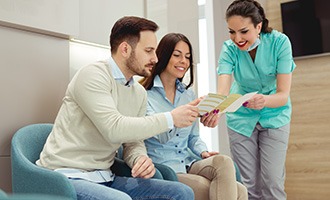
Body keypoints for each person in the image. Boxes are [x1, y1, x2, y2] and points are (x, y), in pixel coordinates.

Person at [36, 16, 198, 200]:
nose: (155, 58)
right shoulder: (92, 76)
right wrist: (170, 118)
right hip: (67, 176)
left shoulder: (138, 92)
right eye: (149, 51)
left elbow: (133, 141)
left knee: (181, 192)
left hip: (105, 177)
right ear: (125, 49)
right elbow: (114, 129)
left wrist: (139, 159)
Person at [140, 33, 248, 200]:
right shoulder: (144, 95)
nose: (184, 61)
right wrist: (181, 114)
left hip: (189, 161)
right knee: (236, 192)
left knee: (224, 162)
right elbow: (160, 135)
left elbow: (193, 137)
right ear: (163, 56)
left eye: (187, 57)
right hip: (165, 167)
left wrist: (203, 151)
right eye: (177, 55)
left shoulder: (188, 94)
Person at [216, 0, 296, 199]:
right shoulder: (229, 49)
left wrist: (264, 101)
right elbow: (222, 91)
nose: (237, 38)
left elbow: (282, 94)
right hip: (240, 118)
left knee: (272, 182)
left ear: (258, 26)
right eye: (232, 32)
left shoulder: (280, 43)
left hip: (275, 115)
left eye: (243, 31)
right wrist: (213, 108)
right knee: (247, 185)